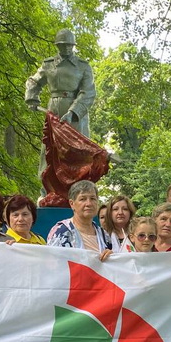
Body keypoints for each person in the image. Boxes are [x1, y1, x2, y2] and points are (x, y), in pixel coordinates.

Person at [25, 29, 96, 177]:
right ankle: (48, 187)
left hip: (77, 114)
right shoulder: (48, 65)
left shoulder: (83, 66)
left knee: (78, 149)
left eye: (69, 45)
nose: (66, 48)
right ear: (57, 46)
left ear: (73, 45)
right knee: (51, 149)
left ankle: (80, 184)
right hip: (54, 110)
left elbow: (88, 92)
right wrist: (32, 98)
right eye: (63, 45)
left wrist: (72, 112)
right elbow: (33, 81)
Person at [47, 180, 113, 259]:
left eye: (92, 198)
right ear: (72, 204)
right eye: (83, 199)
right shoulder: (60, 232)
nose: (89, 203)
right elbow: (52, 263)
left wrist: (111, 256)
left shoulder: (104, 236)